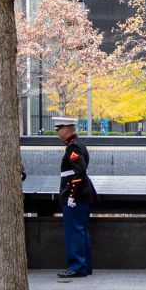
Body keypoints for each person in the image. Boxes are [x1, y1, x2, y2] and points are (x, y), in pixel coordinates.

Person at [53, 116, 95, 280]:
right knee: (81, 231)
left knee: (74, 232)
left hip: (76, 197)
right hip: (81, 195)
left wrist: (72, 196)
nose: (57, 133)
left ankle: (77, 266)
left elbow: (79, 173)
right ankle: (84, 266)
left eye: (58, 130)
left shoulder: (73, 148)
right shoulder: (76, 144)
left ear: (65, 129)